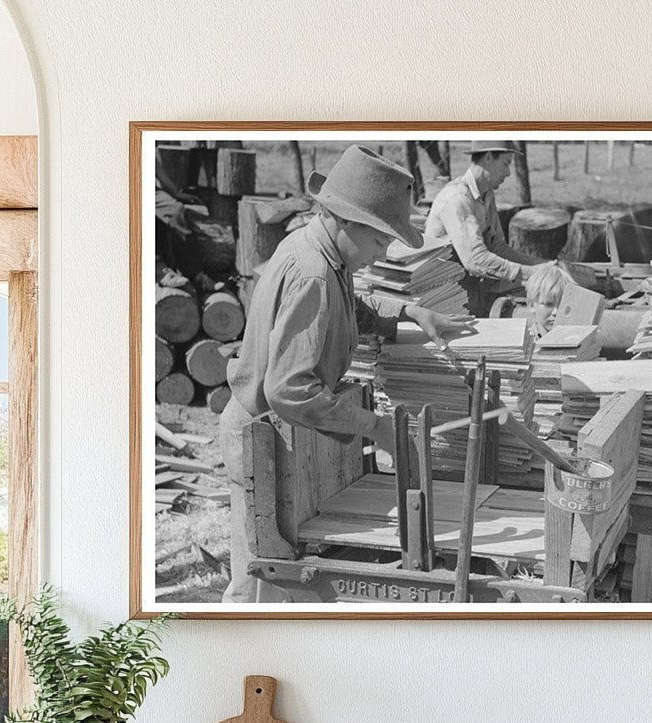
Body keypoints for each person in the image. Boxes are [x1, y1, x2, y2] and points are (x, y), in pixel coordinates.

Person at [220, 144, 462, 603]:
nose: (381, 253)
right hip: (263, 443)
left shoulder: (321, 252)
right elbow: (288, 389)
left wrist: (410, 312)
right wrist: (373, 427)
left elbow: (347, 309)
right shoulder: (313, 273)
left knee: (278, 585)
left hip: (278, 438)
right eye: (378, 241)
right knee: (261, 590)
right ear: (343, 219)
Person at [424, 139, 545, 315]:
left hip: (468, 289)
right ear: (488, 157)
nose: (508, 172)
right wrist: (530, 272)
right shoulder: (457, 198)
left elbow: (497, 246)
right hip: (442, 297)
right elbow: (475, 260)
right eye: (506, 164)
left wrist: (538, 265)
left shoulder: (486, 194)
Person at [524, 262, 569, 339]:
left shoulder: (576, 340)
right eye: (549, 304)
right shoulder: (525, 343)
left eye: (562, 304)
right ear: (531, 305)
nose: (556, 312)